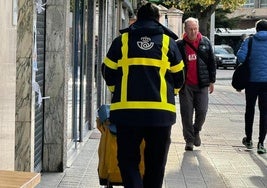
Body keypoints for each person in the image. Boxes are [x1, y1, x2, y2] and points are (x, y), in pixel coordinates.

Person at [101, 3, 185, 188]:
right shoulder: (167, 42)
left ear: (137, 18)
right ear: (158, 19)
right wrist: (171, 93)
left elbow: (107, 72)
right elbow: (179, 77)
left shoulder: (121, 41)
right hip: (160, 115)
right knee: (156, 164)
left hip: (127, 114)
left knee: (128, 160)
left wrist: (117, 91)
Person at [177, 17, 216, 151]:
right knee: (186, 113)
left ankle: (196, 130)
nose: (193, 32)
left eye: (195, 29)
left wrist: (212, 81)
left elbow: (212, 62)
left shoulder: (205, 42)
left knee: (202, 111)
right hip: (185, 85)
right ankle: (189, 140)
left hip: (202, 84)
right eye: (190, 29)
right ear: (185, 30)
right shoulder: (179, 45)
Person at [237, 19, 267, 154]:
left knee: (250, 110)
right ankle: (261, 143)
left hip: (251, 82)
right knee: (264, 112)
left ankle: (248, 139)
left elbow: (241, 57)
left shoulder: (249, 41)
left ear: (256, 29)